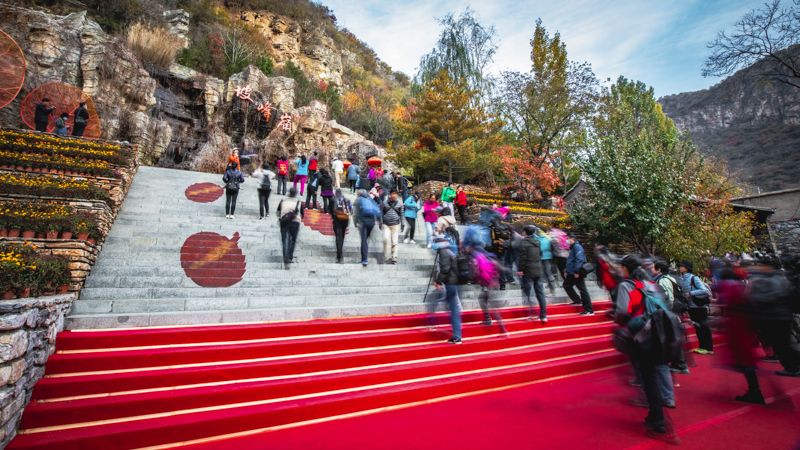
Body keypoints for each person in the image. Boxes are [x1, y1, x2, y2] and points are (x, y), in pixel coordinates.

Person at [614, 255, 673, 438]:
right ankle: (658, 413)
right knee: (653, 374)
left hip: (640, 335)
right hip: (657, 333)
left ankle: (658, 418)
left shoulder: (626, 285)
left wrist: (618, 320)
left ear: (626, 268)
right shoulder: (650, 284)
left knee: (648, 377)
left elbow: (622, 311)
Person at [747, 258, 800, 377]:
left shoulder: (775, 279)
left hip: (777, 317)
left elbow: (774, 296)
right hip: (778, 315)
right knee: (782, 343)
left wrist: (755, 297)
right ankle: (792, 365)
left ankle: (792, 368)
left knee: (782, 344)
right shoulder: (777, 277)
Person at [652, 259, 689, 375]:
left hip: (669, 314)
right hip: (672, 314)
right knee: (673, 339)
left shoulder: (663, 281)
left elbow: (668, 298)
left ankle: (680, 365)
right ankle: (678, 363)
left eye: (653, 267)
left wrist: (666, 313)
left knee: (673, 339)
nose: (651, 270)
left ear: (659, 270)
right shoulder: (670, 279)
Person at [677, 261, 714, 354]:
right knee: (698, 327)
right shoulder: (680, 279)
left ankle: (708, 348)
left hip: (700, 306)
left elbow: (703, 290)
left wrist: (690, 293)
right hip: (691, 306)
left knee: (704, 327)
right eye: (680, 266)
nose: (680, 268)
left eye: (682, 266)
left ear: (687, 268)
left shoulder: (694, 278)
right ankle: (702, 347)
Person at [433, 235, 463, 344]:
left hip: (451, 283)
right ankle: (456, 335)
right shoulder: (450, 251)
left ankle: (457, 336)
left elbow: (445, 268)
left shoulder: (443, 252)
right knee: (453, 308)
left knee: (453, 309)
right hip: (455, 281)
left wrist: (438, 281)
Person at [518, 225, 548, 322]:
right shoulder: (537, 242)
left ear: (525, 232)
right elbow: (540, 254)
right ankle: (543, 315)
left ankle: (532, 314)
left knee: (529, 292)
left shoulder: (523, 243)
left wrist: (520, 269)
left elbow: (523, 258)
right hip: (538, 269)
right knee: (540, 293)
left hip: (528, 270)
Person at [564, 233, 593, 315]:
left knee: (582, 290)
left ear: (572, 239)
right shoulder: (573, 248)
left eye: (568, 239)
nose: (567, 240)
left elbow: (579, 259)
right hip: (571, 272)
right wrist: (567, 271)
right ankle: (577, 300)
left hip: (576, 272)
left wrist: (576, 271)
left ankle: (589, 309)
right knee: (566, 285)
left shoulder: (577, 247)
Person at [352, 188, 382, 266]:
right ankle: (379, 257)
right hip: (372, 222)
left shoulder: (359, 200)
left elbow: (355, 213)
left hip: (363, 222)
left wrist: (355, 223)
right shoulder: (370, 200)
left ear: (359, 194)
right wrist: (379, 221)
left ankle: (364, 259)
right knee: (368, 239)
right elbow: (377, 210)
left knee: (364, 241)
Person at [277, 188, 304, 268]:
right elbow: (302, 214)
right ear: (295, 194)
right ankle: (289, 256)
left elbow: (278, 211)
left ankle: (286, 255)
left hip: (284, 221)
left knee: (284, 240)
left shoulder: (283, 200)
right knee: (293, 240)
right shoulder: (298, 202)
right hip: (295, 222)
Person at [381, 190, 404, 265]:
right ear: (390, 195)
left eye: (396, 194)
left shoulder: (399, 203)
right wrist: (380, 222)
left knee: (394, 242)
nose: (394, 195)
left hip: (395, 225)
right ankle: (385, 257)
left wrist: (403, 224)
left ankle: (394, 258)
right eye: (393, 194)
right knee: (385, 239)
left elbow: (402, 214)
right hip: (386, 224)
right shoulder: (384, 203)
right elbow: (381, 213)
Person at [489, 218, 512, 290]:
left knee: (491, 267)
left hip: (493, 250)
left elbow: (489, 239)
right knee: (501, 267)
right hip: (502, 250)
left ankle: (492, 283)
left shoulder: (492, 229)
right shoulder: (504, 228)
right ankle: (503, 284)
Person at [330, 189, 352, 264]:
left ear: (336, 193)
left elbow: (330, 209)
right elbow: (350, 209)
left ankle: (340, 256)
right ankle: (340, 252)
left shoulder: (333, 199)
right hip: (345, 220)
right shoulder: (347, 200)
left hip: (337, 220)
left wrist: (334, 216)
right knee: (342, 236)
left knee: (338, 237)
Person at [535, 226, 557, 296]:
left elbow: (542, 248)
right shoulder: (546, 238)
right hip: (546, 258)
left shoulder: (542, 238)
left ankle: (551, 290)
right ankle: (551, 289)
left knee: (547, 274)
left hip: (544, 258)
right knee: (547, 274)